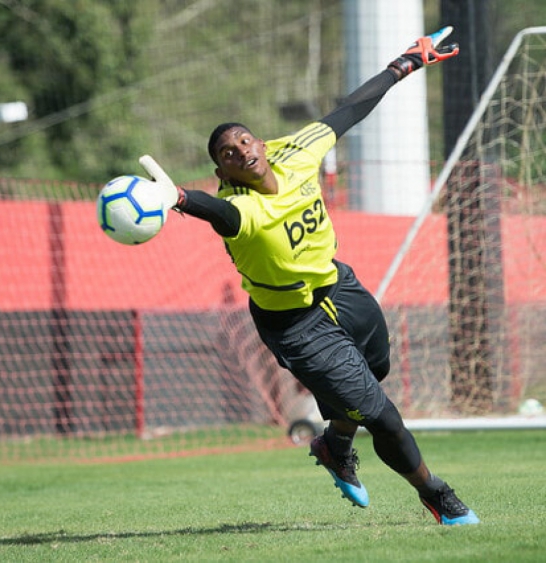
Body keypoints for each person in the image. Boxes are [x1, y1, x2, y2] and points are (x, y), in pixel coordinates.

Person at [137, 28, 479, 525]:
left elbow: (350, 110)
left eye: (243, 140)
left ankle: (335, 444)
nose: (240, 151)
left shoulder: (296, 152)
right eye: (227, 154)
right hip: (295, 323)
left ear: (258, 140)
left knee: (371, 378)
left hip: (341, 287)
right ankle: (438, 496)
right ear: (225, 173)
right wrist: (180, 199)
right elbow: (216, 212)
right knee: (382, 415)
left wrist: (405, 64)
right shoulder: (241, 210)